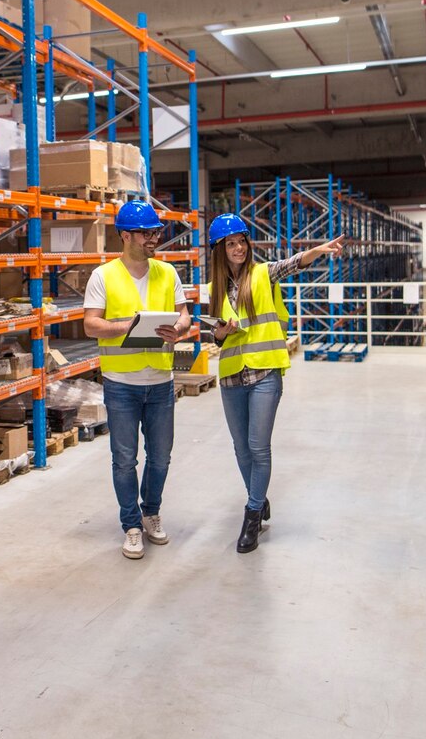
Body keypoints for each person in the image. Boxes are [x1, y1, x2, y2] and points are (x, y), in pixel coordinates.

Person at [207, 214, 345, 553]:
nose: (239, 248)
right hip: (232, 374)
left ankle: (252, 514)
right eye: (231, 243)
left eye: (242, 241)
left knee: (258, 446)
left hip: (265, 372)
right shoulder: (214, 288)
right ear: (219, 251)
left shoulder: (262, 273)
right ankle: (259, 495)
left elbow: (294, 263)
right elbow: (216, 337)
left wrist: (320, 250)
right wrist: (220, 332)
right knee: (241, 449)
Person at [84, 200, 192, 560]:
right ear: (126, 235)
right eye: (147, 233)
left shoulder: (167, 273)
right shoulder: (104, 275)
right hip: (121, 384)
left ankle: (151, 512)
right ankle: (131, 524)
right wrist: (126, 327)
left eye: (156, 232)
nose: (154, 239)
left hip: (161, 379)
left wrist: (179, 330)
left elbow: (184, 315)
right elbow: (91, 324)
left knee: (160, 457)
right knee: (124, 459)